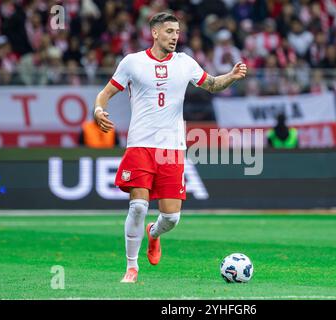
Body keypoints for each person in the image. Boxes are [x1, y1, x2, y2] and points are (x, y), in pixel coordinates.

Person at [93, 12, 247, 283]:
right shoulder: (132, 62)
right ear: (154, 33)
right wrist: (98, 109)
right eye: (169, 32)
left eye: (177, 32)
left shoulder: (185, 63)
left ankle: (153, 234)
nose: (175, 36)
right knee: (138, 207)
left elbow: (211, 84)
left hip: (171, 149)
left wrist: (232, 76)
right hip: (140, 144)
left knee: (172, 218)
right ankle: (131, 267)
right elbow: (106, 93)